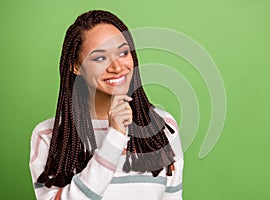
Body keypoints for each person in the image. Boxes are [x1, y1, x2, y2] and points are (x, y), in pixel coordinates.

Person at [29, 10, 183, 200]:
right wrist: (115, 137)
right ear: (76, 66)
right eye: (100, 58)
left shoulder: (163, 127)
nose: (117, 67)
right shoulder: (49, 136)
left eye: (123, 52)